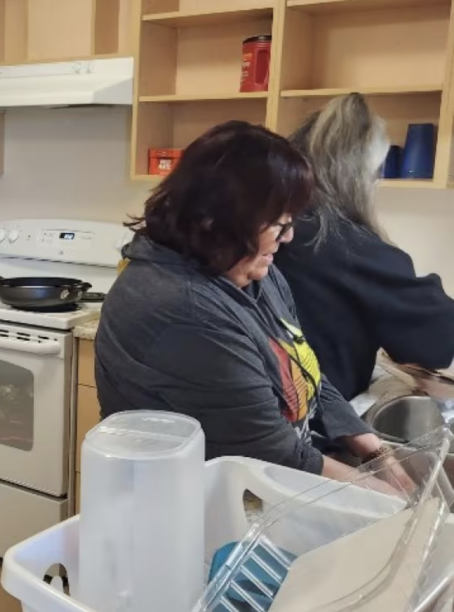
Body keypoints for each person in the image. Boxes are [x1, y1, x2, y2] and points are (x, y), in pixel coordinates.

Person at [96, 121, 386, 480]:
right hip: (178, 507)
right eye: (279, 224)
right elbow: (271, 452)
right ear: (218, 221)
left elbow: (301, 369)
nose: (289, 236)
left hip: (247, 490)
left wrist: (379, 454)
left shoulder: (252, 272)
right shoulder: (182, 308)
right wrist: (388, 499)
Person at [275, 93, 454, 401]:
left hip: (257, 408)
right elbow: (436, 344)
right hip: (316, 420)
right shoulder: (346, 245)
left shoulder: (269, 227)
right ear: (360, 176)